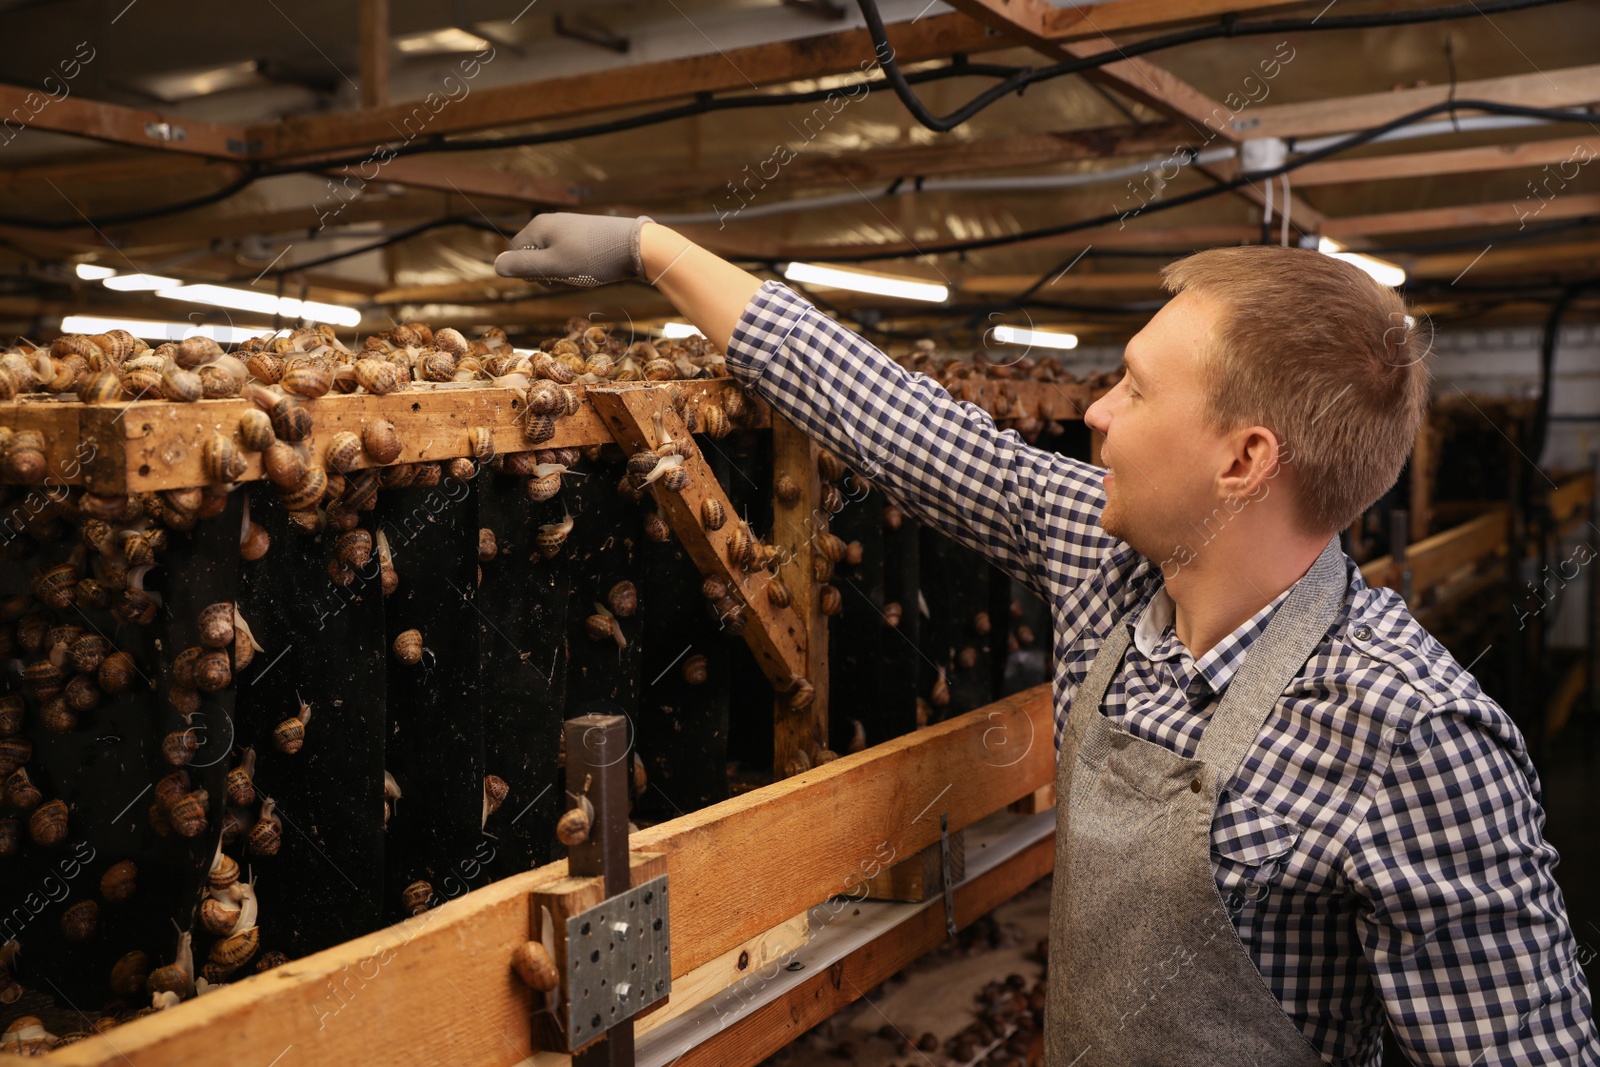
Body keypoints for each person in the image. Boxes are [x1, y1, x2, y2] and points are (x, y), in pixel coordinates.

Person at [495, 213, 1600, 1066]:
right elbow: (900, 421)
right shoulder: (1110, 562)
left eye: (1133, 386)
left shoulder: (1415, 735)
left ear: (1243, 460)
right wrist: (655, 249)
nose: (1096, 413)